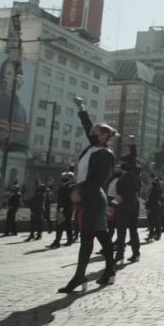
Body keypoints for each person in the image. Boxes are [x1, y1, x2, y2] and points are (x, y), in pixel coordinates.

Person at [58, 97, 117, 293]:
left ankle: (80, 276)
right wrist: (81, 108)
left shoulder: (106, 155)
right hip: (87, 196)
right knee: (100, 236)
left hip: (93, 197)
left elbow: (97, 180)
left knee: (88, 238)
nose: (91, 133)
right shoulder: (92, 148)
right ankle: (109, 270)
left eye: (95, 132)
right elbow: (87, 126)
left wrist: (79, 191)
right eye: (91, 132)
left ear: (104, 137)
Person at [114, 136, 141, 263]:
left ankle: (120, 254)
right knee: (133, 230)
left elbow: (119, 196)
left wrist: (111, 206)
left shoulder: (125, 178)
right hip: (134, 205)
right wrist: (132, 144)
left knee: (121, 231)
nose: (119, 165)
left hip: (124, 206)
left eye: (121, 163)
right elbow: (133, 158)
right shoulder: (135, 176)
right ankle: (136, 253)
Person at [50, 172, 75, 249]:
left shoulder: (70, 186)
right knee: (67, 224)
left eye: (64, 177)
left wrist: (62, 208)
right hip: (67, 207)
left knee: (60, 224)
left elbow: (65, 197)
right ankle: (69, 240)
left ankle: (57, 242)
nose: (62, 178)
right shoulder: (66, 185)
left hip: (64, 207)